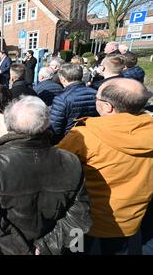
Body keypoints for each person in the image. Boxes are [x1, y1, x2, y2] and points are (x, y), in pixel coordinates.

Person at [0, 96, 92, 255]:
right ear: (46, 124)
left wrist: (25, 251)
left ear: (8, 124)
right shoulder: (70, 160)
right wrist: (45, 247)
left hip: (7, 250)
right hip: (55, 249)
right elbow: (79, 216)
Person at [57, 78, 152, 255]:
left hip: (84, 221)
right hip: (129, 221)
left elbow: (54, 166)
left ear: (108, 107)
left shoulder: (83, 135)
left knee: (75, 251)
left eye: (96, 97)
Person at [50, 64, 98, 143]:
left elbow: (55, 128)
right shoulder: (96, 93)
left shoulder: (61, 99)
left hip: (68, 141)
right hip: (92, 138)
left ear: (63, 79)